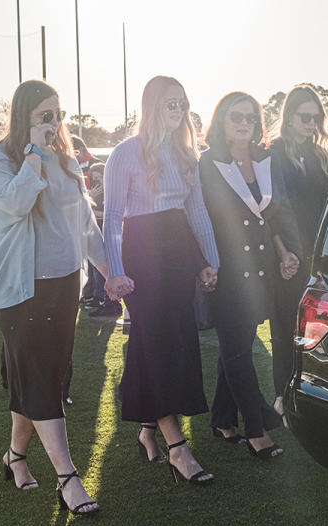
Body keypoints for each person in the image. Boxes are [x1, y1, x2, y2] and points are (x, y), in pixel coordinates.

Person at [0, 80, 106, 515]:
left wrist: (112, 270)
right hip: (20, 287)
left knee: (45, 374)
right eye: (44, 117)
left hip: (65, 282)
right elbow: (14, 205)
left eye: (58, 115)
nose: (54, 124)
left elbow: (85, 221)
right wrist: (34, 153)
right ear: (23, 118)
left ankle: (14, 456)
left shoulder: (67, 159)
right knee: (39, 377)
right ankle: (68, 477)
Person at [104, 75, 219, 483]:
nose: (179, 110)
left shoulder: (187, 154)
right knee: (155, 341)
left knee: (171, 340)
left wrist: (209, 260)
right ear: (152, 105)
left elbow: (198, 212)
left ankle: (147, 430)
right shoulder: (124, 153)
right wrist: (114, 269)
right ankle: (178, 448)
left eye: (183, 103)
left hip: (178, 253)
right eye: (171, 103)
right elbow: (113, 216)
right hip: (141, 256)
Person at [199, 91, 301, 457]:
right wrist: (204, 262)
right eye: (236, 117)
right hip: (226, 269)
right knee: (238, 350)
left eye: (250, 118)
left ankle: (222, 418)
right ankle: (256, 430)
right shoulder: (207, 163)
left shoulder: (264, 160)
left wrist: (286, 252)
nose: (245, 123)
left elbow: (272, 215)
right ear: (221, 122)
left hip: (261, 268)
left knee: (238, 343)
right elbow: (202, 219)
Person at [268, 84, 328, 416]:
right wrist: (282, 252)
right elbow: (267, 211)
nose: (312, 123)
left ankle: (309, 393)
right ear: (289, 116)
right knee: (286, 329)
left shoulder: (320, 154)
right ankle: (283, 397)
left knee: (315, 329)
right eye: (305, 117)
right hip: (287, 254)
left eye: (316, 117)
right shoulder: (273, 153)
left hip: (318, 253)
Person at [85, 163, 121, 317]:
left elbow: (108, 213)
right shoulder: (97, 193)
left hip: (108, 234)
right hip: (96, 233)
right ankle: (100, 299)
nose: (98, 182)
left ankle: (111, 303)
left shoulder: (111, 192)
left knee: (106, 269)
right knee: (96, 269)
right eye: (95, 179)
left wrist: (90, 208)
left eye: (99, 178)